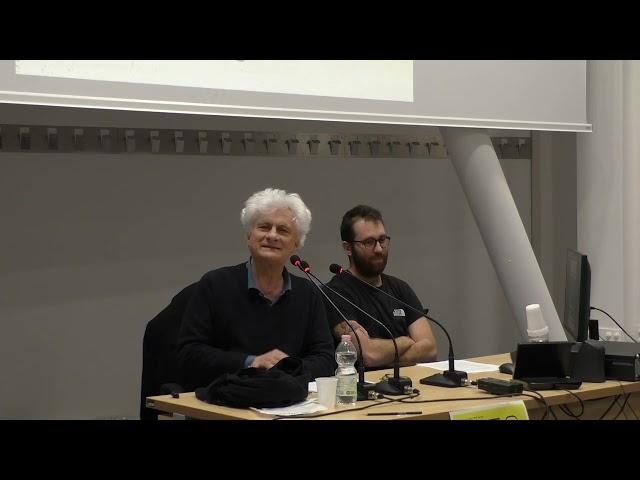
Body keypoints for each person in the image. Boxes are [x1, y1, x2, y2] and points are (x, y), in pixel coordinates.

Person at [177, 188, 335, 390]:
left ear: (296, 244)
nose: (272, 235)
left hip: (289, 401)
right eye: (264, 227)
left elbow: (326, 358)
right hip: (228, 399)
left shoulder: (308, 293)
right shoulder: (215, 284)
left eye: (283, 230)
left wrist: (289, 368)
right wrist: (251, 362)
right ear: (249, 236)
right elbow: (188, 354)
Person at [324, 205, 437, 368]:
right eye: (369, 242)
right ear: (348, 248)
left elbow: (430, 349)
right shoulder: (335, 292)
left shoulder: (400, 288)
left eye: (382, 240)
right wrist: (406, 341)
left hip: (408, 386)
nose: (378, 249)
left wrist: (386, 357)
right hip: (365, 389)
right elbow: (369, 354)